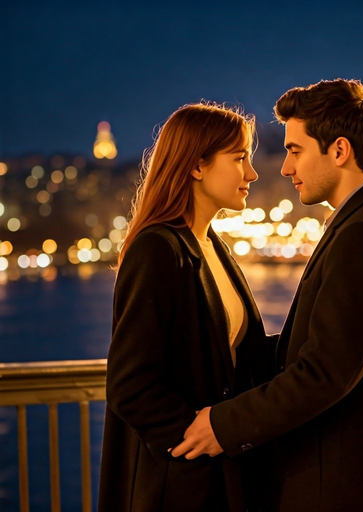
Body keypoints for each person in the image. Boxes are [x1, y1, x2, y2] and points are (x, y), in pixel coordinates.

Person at [171, 79, 363, 511]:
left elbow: (323, 374)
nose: (286, 169)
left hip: (344, 489)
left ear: (339, 151)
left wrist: (223, 424)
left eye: (295, 151)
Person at [98, 102, 274, 512]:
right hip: (178, 485)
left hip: (220, 476)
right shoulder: (157, 249)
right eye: (239, 158)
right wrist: (197, 436)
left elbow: (238, 357)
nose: (252, 173)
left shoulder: (214, 248)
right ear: (197, 166)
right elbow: (129, 384)